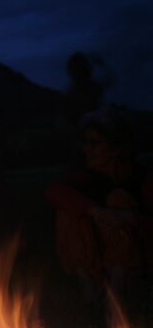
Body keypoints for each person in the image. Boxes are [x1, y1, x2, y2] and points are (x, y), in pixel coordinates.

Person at [46, 107, 153, 300]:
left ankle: (117, 291)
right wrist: (96, 211)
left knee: (118, 199)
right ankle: (89, 288)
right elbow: (54, 193)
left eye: (94, 143)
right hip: (95, 260)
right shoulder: (84, 178)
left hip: (133, 261)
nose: (86, 149)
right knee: (69, 211)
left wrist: (127, 218)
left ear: (116, 148)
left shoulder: (142, 180)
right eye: (85, 143)